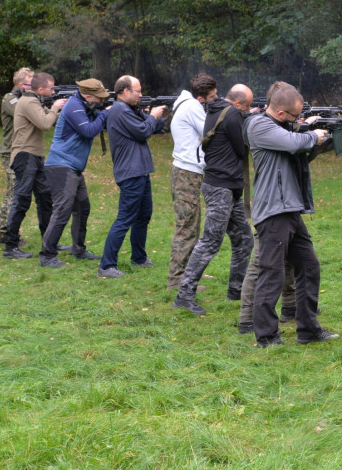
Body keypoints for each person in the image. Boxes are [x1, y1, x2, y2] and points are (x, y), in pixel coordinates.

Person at [244, 81, 338, 347]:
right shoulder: (259, 125)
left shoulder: (284, 126)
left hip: (290, 210)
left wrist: (328, 134)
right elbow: (294, 143)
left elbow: (302, 151)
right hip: (273, 211)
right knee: (271, 274)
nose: (299, 120)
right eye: (296, 116)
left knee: (309, 267)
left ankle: (308, 329)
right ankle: (266, 337)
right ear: (281, 113)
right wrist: (313, 135)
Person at [173, 84, 255, 315]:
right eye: (247, 106)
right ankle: (184, 295)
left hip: (227, 187)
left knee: (244, 239)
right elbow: (242, 149)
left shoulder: (215, 110)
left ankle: (236, 291)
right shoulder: (231, 117)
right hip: (221, 188)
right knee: (210, 241)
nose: (248, 110)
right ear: (237, 103)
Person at [98, 76, 167, 279]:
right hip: (131, 172)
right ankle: (106, 265)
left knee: (143, 216)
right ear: (125, 91)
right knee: (125, 218)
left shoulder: (129, 110)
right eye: (138, 91)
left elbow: (155, 127)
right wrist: (153, 116)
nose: (141, 94)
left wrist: (156, 117)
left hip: (140, 171)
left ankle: (139, 257)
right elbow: (144, 131)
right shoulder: (120, 109)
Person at [38, 79, 111, 267]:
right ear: (88, 96)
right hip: (61, 166)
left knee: (82, 208)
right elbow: (88, 130)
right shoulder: (74, 107)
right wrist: (104, 115)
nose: (101, 101)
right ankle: (47, 255)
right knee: (62, 210)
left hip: (73, 167)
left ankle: (78, 249)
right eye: (99, 98)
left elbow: (96, 122)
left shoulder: (84, 105)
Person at [1, 72, 66, 259]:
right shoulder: (28, 102)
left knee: (45, 199)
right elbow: (45, 123)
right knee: (21, 199)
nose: (53, 91)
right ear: (40, 89)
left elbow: (52, 118)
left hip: (35, 156)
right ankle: (10, 246)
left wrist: (64, 108)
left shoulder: (35, 102)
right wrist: (54, 107)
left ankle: (49, 240)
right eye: (51, 89)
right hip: (24, 155)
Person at [167, 73, 219, 290]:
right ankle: (177, 281)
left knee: (192, 225)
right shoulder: (192, 108)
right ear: (201, 98)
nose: (216, 99)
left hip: (187, 171)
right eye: (213, 96)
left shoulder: (189, 104)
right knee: (186, 227)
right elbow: (211, 132)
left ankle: (188, 274)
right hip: (186, 173)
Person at [0, 67, 33, 246]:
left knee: (16, 191)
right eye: (29, 83)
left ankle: (6, 230)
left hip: (21, 151)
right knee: (13, 192)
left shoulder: (26, 99)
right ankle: (4, 233)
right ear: (20, 84)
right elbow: (25, 113)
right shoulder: (10, 99)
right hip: (10, 151)